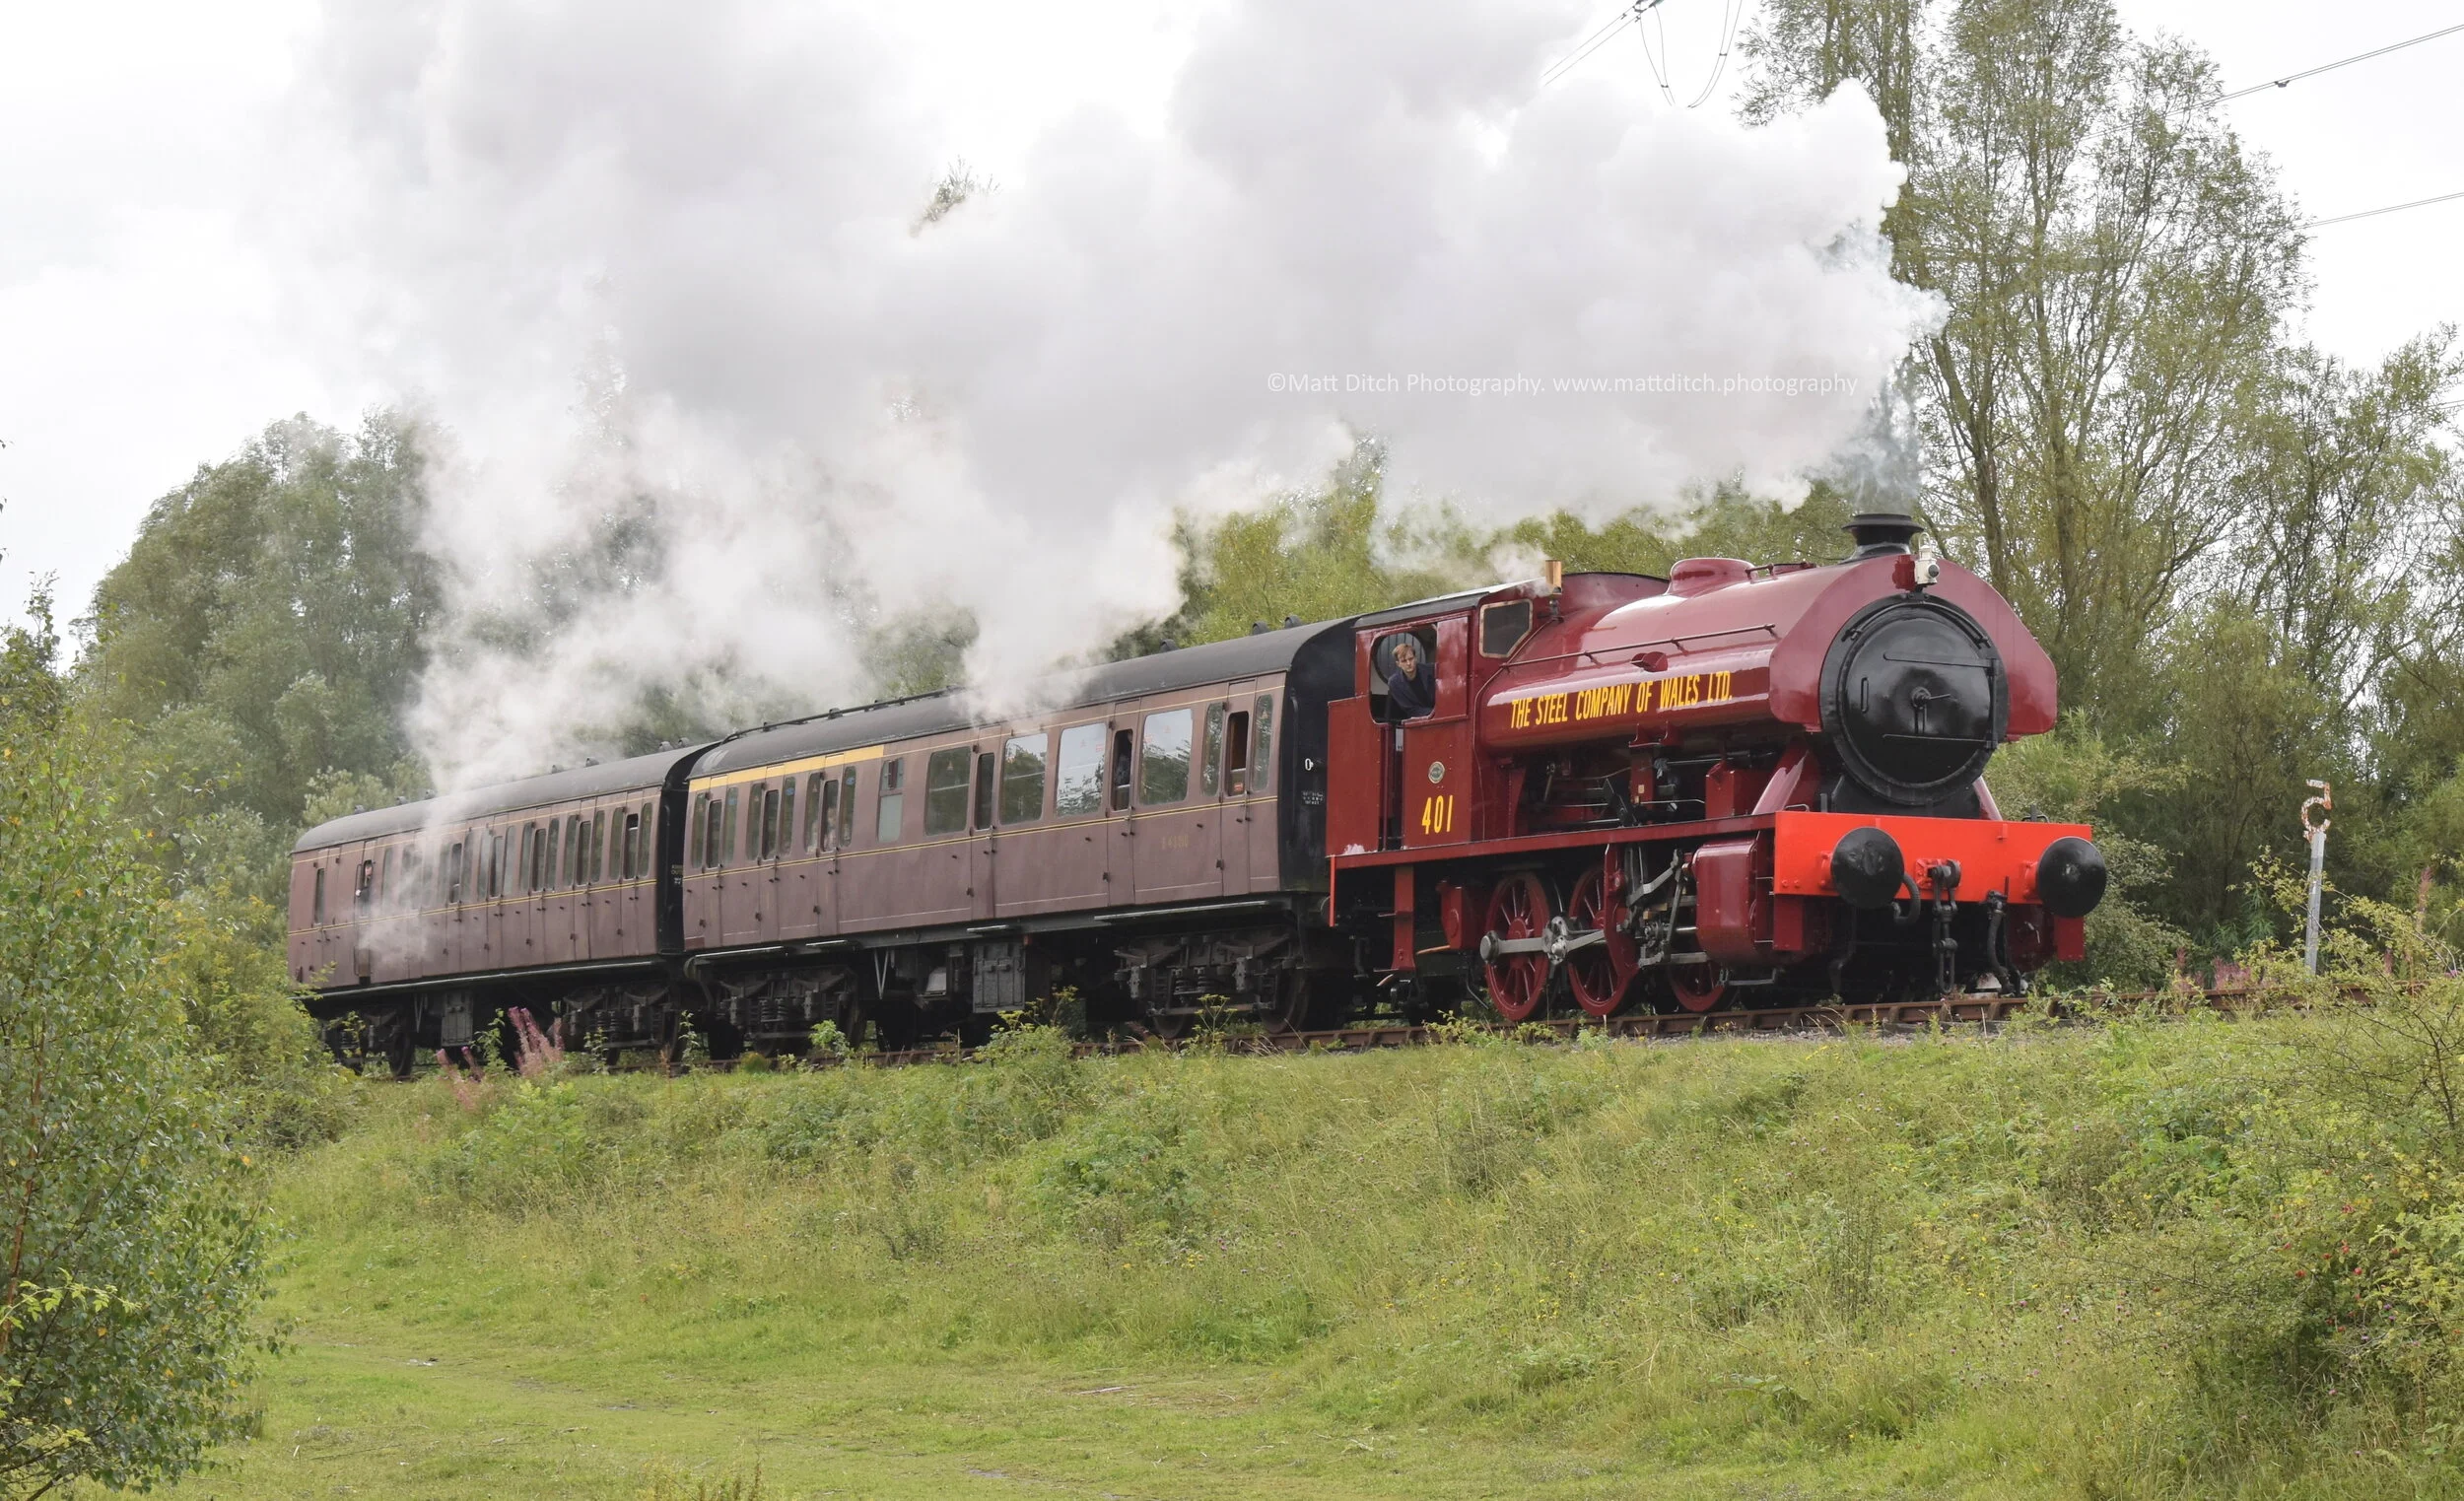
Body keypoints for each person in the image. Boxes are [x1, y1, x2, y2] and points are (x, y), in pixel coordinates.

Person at [1386, 635, 1436, 719]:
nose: (1409, 663)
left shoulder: (1431, 670)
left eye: (1411, 659)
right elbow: (1410, 709)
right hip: (1419, 722)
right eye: (1404, 661)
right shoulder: (1394, 683)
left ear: (1415, 658)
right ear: (1398, 664)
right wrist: (1434, 713)